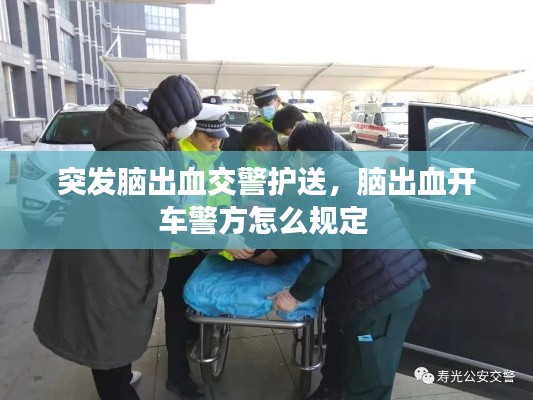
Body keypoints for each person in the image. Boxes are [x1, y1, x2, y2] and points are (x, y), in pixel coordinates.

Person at [33, 75, 247, 400]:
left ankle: (120, 373)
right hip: (106, 263)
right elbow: (168, 218)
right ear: (175, 119)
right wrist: (224, 240)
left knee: (115, 332)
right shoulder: (141, 150)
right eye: (190, 119)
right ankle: (117, 386)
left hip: (113, 252)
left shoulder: (145, 138)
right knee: (106, 337)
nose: (192, 126)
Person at [271, 122, 430, 400]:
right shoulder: (347, 170)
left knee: (368, 378)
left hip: (381, 295)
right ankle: (331, 390)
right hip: (401, 278)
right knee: (346, 348)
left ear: (298, 153)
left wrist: (294, 295)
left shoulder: (319, 185)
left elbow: (327, 260)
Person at [164, 95, 255, 399]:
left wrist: (233, 240)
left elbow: (220, 208)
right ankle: (177, 375)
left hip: (200, 251)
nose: (217, 144)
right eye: (210, 138)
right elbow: (180, 222)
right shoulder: (176, 164)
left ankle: (191, 345)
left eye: (220, 138)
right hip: (172, 255)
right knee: (176, 316)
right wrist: (226, 244)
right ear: (191, 133)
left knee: (193, 312)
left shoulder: (214, 163)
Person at [272, 105, 362, 167]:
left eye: (287, 134)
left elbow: (329, 169)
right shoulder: (307, 137)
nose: (287, 139)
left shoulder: (325, 139)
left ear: (296, 125)